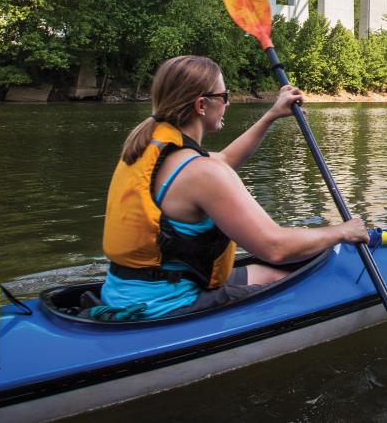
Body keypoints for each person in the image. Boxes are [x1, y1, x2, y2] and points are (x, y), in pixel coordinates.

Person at [100, 55, 368, 318]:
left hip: (122, 294)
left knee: (271, 274)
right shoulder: (202, 173)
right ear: (202, 105)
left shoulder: (149, 148)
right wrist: (342, 231)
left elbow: (226, 159)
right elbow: (275, 248)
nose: (226, 103)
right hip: (165, 306)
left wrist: (271, 115)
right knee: (303, 283)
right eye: (224, 96)